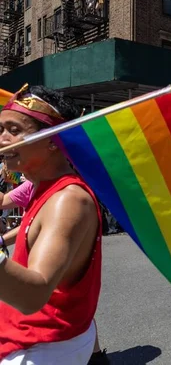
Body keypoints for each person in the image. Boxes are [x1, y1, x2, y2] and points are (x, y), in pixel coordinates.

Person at [0, 85, 105, 364]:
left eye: (13, 129)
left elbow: (34, 293)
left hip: (41, 350)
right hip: (28, 336)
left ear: (51, 140)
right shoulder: (41, 187)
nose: (2, 139)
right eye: (1, 129)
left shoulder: (67, 200)